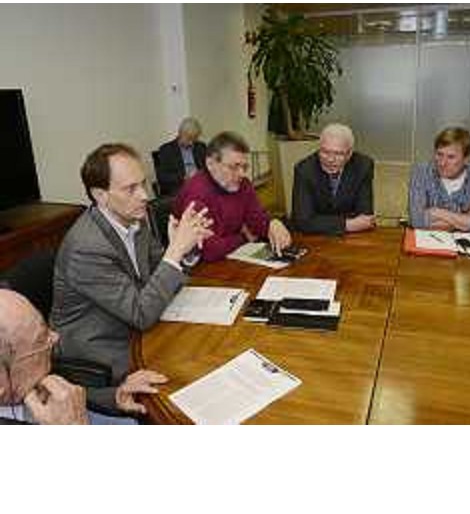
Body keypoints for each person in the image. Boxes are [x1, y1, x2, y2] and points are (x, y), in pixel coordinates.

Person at [49, 143, 212, 414]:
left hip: (135, 327)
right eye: (130, 189)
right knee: (191, 378)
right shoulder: (86, 247)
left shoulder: (136, 218)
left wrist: (185, 249)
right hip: (100, 350)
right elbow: (141, 313)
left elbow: (159, 271)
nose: (145, 196)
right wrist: (175, 251)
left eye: (143, 184)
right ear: (100, 195)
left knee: (203, 346)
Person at [0, 289, 167, 424]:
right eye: (40, 339)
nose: (55, 337)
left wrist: (115, 396)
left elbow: (70, 393)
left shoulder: (27, 381)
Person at [173, 131, 291, 262]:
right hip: (201, 268)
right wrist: (243, 237)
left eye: (244, 167)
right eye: (234, 167)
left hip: (231, 258)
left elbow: (257, 220)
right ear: (210, 164)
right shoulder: (196, 193)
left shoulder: (243, 184)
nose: (242, 174)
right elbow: (208, 250)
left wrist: (272, 223)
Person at [291, 123, 375, 236]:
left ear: (349, 154)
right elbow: (303, 221)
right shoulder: (304, 170)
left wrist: (320, 221)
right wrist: (347, 224)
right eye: (325, 152)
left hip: (353, 237)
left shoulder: (363, 166)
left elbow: (365, 218)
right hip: (314, 238)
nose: (330, 160)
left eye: (338, 154)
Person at [408, 126, 470, 233]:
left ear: (467, 159)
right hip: (428, 240)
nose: (442, 163)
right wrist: (468, 216)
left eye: (451, 157)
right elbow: (417, 221)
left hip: (469, 241)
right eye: (439, 154)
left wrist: (436, 212)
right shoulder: (421, 172)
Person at [156, 117, 207, 196]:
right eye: (189, 138)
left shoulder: (201, 147)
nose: (191, 143)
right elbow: (162, 177)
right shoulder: (166, 150)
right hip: (180, 186)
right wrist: (183, 177)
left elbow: (208, 166)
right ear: (181, 134)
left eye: (194, 139)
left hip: (200, 183)